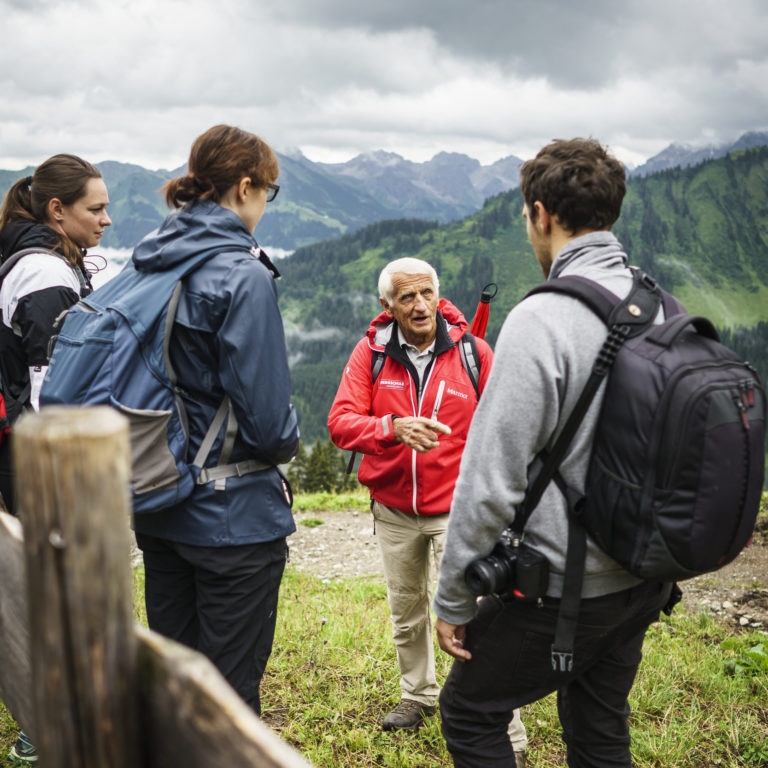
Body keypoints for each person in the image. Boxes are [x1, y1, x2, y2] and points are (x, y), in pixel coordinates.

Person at [432, 138, 676, 767]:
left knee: (469, 709)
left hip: (568, 587)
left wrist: (455, 599)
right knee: (598, 728)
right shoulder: (658, 304)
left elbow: (489, 481)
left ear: (540, 214)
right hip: (644, 576)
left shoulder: (544, 319)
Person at [327, 257, 527, 762]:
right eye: (407, 297)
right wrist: (390, 428)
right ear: (387, 305)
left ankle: (504, 725)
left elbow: (506, 430)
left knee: (476, 616)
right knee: (406, 611)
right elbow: (341, 423)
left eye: (426, 294)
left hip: (459, 513)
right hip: (393, 510)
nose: (420, 306)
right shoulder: (370, 353)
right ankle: (417, 695)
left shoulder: (475, 353)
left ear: (439, 295)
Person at [131, 125, 299, 716]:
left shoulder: (151, 258)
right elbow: (271, 426)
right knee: (228, 705)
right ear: (246, 187)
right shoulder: (240, 274)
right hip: (233, 523)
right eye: (268, 193)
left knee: (174, 686)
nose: (264, 208)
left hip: (159, 502)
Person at [0, 154, 111, 764]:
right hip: (45, 457)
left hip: (24, 448)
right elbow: (54, 386)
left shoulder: (37, 258)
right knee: (57, 587)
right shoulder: (44, 274)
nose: (107, 219)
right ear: (56, 210)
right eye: (96, 208)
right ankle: (44, 728)